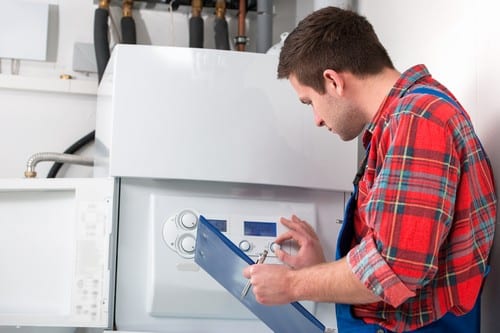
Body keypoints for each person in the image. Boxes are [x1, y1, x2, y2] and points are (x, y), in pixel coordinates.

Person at [242, 6, 497, 333]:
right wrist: (321, 269)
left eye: (309, 102)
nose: (317, 119)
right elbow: (392, 258)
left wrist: (294, 283)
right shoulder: (397, 125)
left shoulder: (418, 120)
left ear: (332, 81)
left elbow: (394, 269)